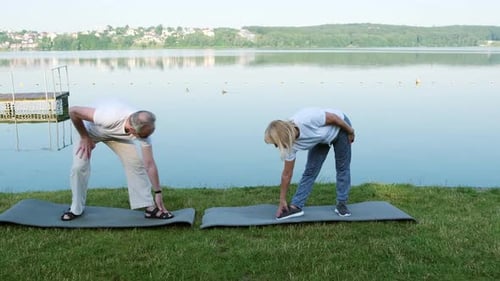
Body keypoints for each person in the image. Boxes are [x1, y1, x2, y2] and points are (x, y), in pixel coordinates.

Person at [61, 101, 174, 221]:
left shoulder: (144, 130)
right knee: (79, 167)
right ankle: (76, 209)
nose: (145, 138)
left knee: (135, 163)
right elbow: (73, 111)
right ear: (132, 130)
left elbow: (149, 164)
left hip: (118, 137)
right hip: (89, 131)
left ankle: (149, 207)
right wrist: (84, 137)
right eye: (142, 136)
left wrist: (158, 192)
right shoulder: (109, 116)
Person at [264, 107, 355, 220]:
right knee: (310, 171)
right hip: (320, 139)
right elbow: (287, 174)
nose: (276, 146)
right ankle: (296, 206)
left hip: (341, 127)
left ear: (282, 137)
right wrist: (282, 200)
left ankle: (342, 204)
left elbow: (333, 118)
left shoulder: (305, 119)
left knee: (342, 168)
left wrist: (350, 131)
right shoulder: (289, 146)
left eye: (276, 143)